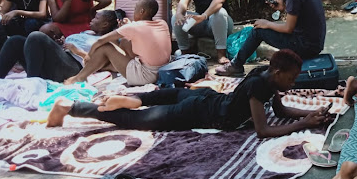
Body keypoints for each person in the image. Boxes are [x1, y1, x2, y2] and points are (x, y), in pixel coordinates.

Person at [48, 50, 333, 136]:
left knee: (166, 93)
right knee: (135, 120)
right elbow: (263, 130)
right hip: (201, 111)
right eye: (292, 79)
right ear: (278, 73)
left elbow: (282, 111)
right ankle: (70, 107)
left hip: (208, 98)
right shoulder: (261, 86)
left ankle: (136, 97)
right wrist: (304, 124)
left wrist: (310, 114)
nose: (294, 84)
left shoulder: (264, 75)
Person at [216, 0, 326, 76]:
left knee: (258, 31)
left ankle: (236, 65)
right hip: (315, 44)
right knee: (262, 28)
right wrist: (283, 8)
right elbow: (302, 16)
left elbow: (288, 28)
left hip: (305, 47)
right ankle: (236, 64)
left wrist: (267, 23)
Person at [63, 0, 171, 86]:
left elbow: (101, 40)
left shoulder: (134, 27)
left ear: (141, 11)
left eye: (135, 9)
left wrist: (88, 56)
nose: (134, 12)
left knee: (105, 47)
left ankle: (80, 77)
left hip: (145, 76)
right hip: (162, 70)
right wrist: (128, 27)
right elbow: (141, 31)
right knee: (125, 40)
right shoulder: (162, 23)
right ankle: (93, 68)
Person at [0, 10, 122, 82]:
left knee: (36, 36)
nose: (92, 19)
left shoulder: (105, 41)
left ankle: (33, 83)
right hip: (60, 59)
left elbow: (102, 64)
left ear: (105, 24)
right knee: (15, 41)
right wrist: (59, 44)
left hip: (72, 67)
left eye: (96, 18)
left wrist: (77, 51)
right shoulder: (87, 33)